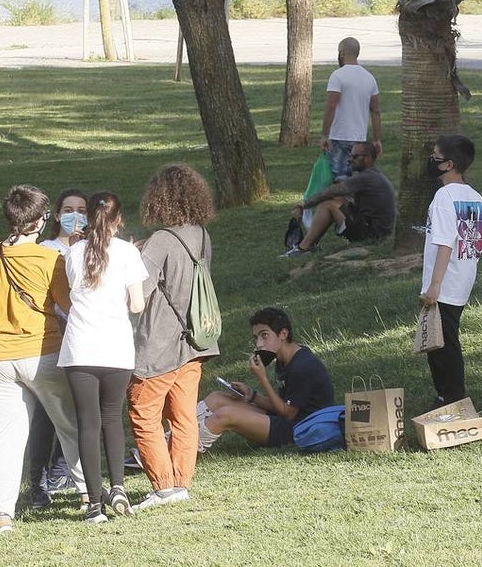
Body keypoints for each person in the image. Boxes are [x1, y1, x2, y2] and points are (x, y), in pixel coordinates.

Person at [0, 184, 86, 534]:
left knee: (2, 436)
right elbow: (67, 305)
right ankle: (88, 493)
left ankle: (1, 514)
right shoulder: (49, 259)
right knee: (70, 424)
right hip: (42, 351)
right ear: (40, 221)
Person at [128, 165, 218, 510]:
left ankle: (163, 488)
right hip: (195, 341)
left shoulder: (162, 240)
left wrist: (134, 257)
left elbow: (141, 292)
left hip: (160, 343)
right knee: (183, 416)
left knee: (143, 412)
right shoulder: (202, 235)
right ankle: (180, 482)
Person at [59, 191, 147, 523]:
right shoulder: (127, 253)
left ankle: (94, 503)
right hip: (116, 348)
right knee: (112, 419)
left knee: (88, 423)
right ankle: (119, 487)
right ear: (118, 220)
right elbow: (137, 304)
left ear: (87, 219)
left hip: (80, 348)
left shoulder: (73, 252)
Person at [197, 307, 334, 452]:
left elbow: (288, 413)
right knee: (217, 398)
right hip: (287, 419)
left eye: (264, 335)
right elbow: (282, 406)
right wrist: (252, 396)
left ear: (283, 334)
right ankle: (179, 432)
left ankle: (181, 448)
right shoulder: (284, 359)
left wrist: (262, 377)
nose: (259, 344)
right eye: (256, 338)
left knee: (226, 415)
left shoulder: (303, 366)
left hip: (301, 428)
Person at [26, 188, 88, 508]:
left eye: (81, 209)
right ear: (56, 214)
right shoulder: (46, 250)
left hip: (84, 339)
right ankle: (37, 480)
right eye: (68, 208)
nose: (75, 215)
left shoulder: (93, 249)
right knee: (45, 414)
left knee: (77, 409)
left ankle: (62, 470)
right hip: (52, 337)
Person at [419, 135, 482, 407]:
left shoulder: (443, 196)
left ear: (448, 164)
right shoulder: (475, 196)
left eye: (435, 156)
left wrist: (434, 285)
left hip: (444, 283)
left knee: (442, 344)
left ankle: (452, 397)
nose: (431, 160)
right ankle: (447, 394)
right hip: (463, 279)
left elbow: (444, 242)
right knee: (444, 338)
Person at [281, 142, 396, 257]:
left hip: (373, 234)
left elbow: (330, 191)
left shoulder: (366, 177)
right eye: (350, 155)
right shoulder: (374, 174)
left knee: (327, 204)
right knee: (337, 199)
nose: (350, 159)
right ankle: (310, 244)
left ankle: (303, 248)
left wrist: (303, 205)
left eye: (355, 156)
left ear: (368, 158)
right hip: (377, 230)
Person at [321, 36, 382, 182]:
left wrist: (324, 134)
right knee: (359, 180)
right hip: (360, 138)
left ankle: (341, 204)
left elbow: (331, 106)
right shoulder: (369, 78)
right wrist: (377, 139)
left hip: (339, 136)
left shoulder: (337, 76)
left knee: (340, 178)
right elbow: (375, 111)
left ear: (342, 52)